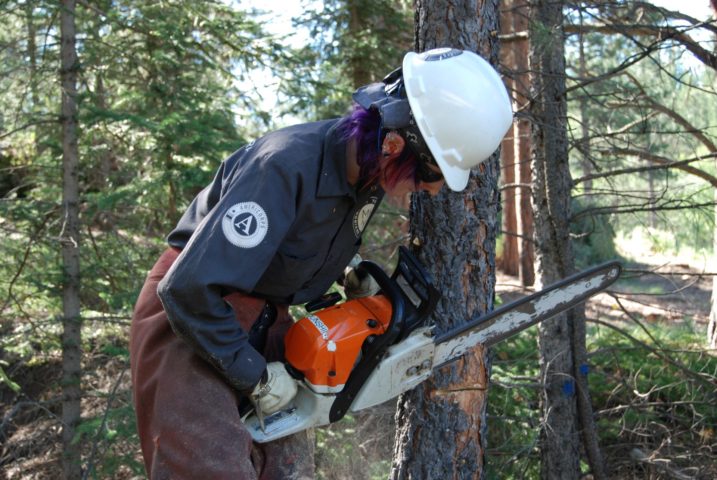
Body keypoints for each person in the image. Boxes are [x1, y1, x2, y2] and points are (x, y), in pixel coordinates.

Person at [129, 47, 512, 480]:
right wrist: (254, 375)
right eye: (430, 174)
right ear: (393, 144)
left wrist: (345, 273)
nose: (434, 189)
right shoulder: (282, 167)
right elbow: (187, 288)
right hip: (193, 318)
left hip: (266, 320)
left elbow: (301, 237)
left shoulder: (365, 179)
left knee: (287, 471)